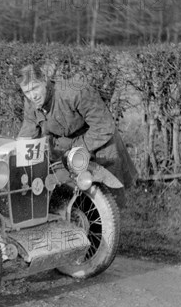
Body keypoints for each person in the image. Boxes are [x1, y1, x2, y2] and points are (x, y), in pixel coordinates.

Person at [17, 64, 137, 207]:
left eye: (35, 88)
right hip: (67, 146)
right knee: (68, 194)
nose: (33, 95)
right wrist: (17, 162)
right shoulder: (31, 102)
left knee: (110, 199)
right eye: (27, 91)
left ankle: (112, 225)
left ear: (45, 80)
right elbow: (27, 135)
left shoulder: (75, 92)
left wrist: (79, 150)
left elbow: (104, 126)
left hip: (99, 142)